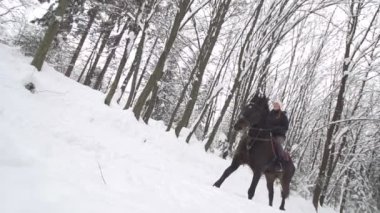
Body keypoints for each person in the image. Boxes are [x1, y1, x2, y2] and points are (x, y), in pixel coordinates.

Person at [266, 101, 289, 172]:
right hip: (268, 133)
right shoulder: (270, 114)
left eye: (277, 104)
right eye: (274, 104)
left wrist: (275, 129)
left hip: (279, 136)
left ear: (280, 106)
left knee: (277, 143)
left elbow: (285, 128)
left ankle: (279, 162)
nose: (275, 105)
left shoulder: (283, 116)